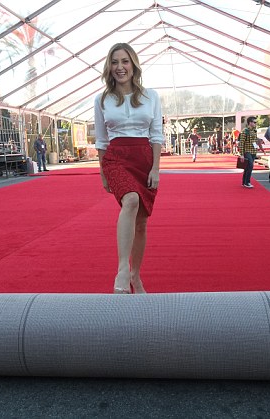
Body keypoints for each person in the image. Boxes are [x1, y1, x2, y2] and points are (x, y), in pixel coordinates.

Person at [94, 43, 163, 294]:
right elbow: (101, 140)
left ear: (133, 65)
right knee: (131, 201)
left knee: (142, 223)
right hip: (116, 158)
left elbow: (156, 135)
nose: (119, 67)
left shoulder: (151, 96)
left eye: (124, 61)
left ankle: (136, 275)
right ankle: (123, 270)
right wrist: (103, 173)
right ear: (108, 67)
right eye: (114, 62)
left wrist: (155, 168)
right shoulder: (102, 99)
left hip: (143, 159)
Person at [239, 117, 258, 188]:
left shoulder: (255, 131)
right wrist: (241, 154)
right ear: (250, 122)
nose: (255, 124)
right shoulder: (245, 131)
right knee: (250, 165)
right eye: (254, 122)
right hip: (247, 151)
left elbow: (255, 141)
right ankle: (247, 182)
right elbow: (241, 143)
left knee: (248, 167)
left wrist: (257, 149)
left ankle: (244, 182)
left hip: (253, 151)